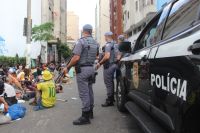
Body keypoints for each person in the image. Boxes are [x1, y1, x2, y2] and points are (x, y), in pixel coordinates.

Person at [63, 24, 98, 125]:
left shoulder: (81, 41)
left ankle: (85, 116)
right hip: (91, 68)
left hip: (82, 70)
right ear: (91, 31)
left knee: (84, 93)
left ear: (83, 31)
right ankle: (90, 112)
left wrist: (67, 67)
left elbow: (76, 58)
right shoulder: (95, 42)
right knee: (90, 90)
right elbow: (95, 56)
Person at [96, 31, 118, 107]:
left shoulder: (108, 45)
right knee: (111, 83)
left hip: (108, 66)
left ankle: (109, 100)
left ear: (107, 36)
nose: (104, 38)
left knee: (108, 83)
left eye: (105, 36)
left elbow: (107, 56)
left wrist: (99, 63)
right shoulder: (115, 44)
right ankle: (112, 98)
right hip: (114, 65)